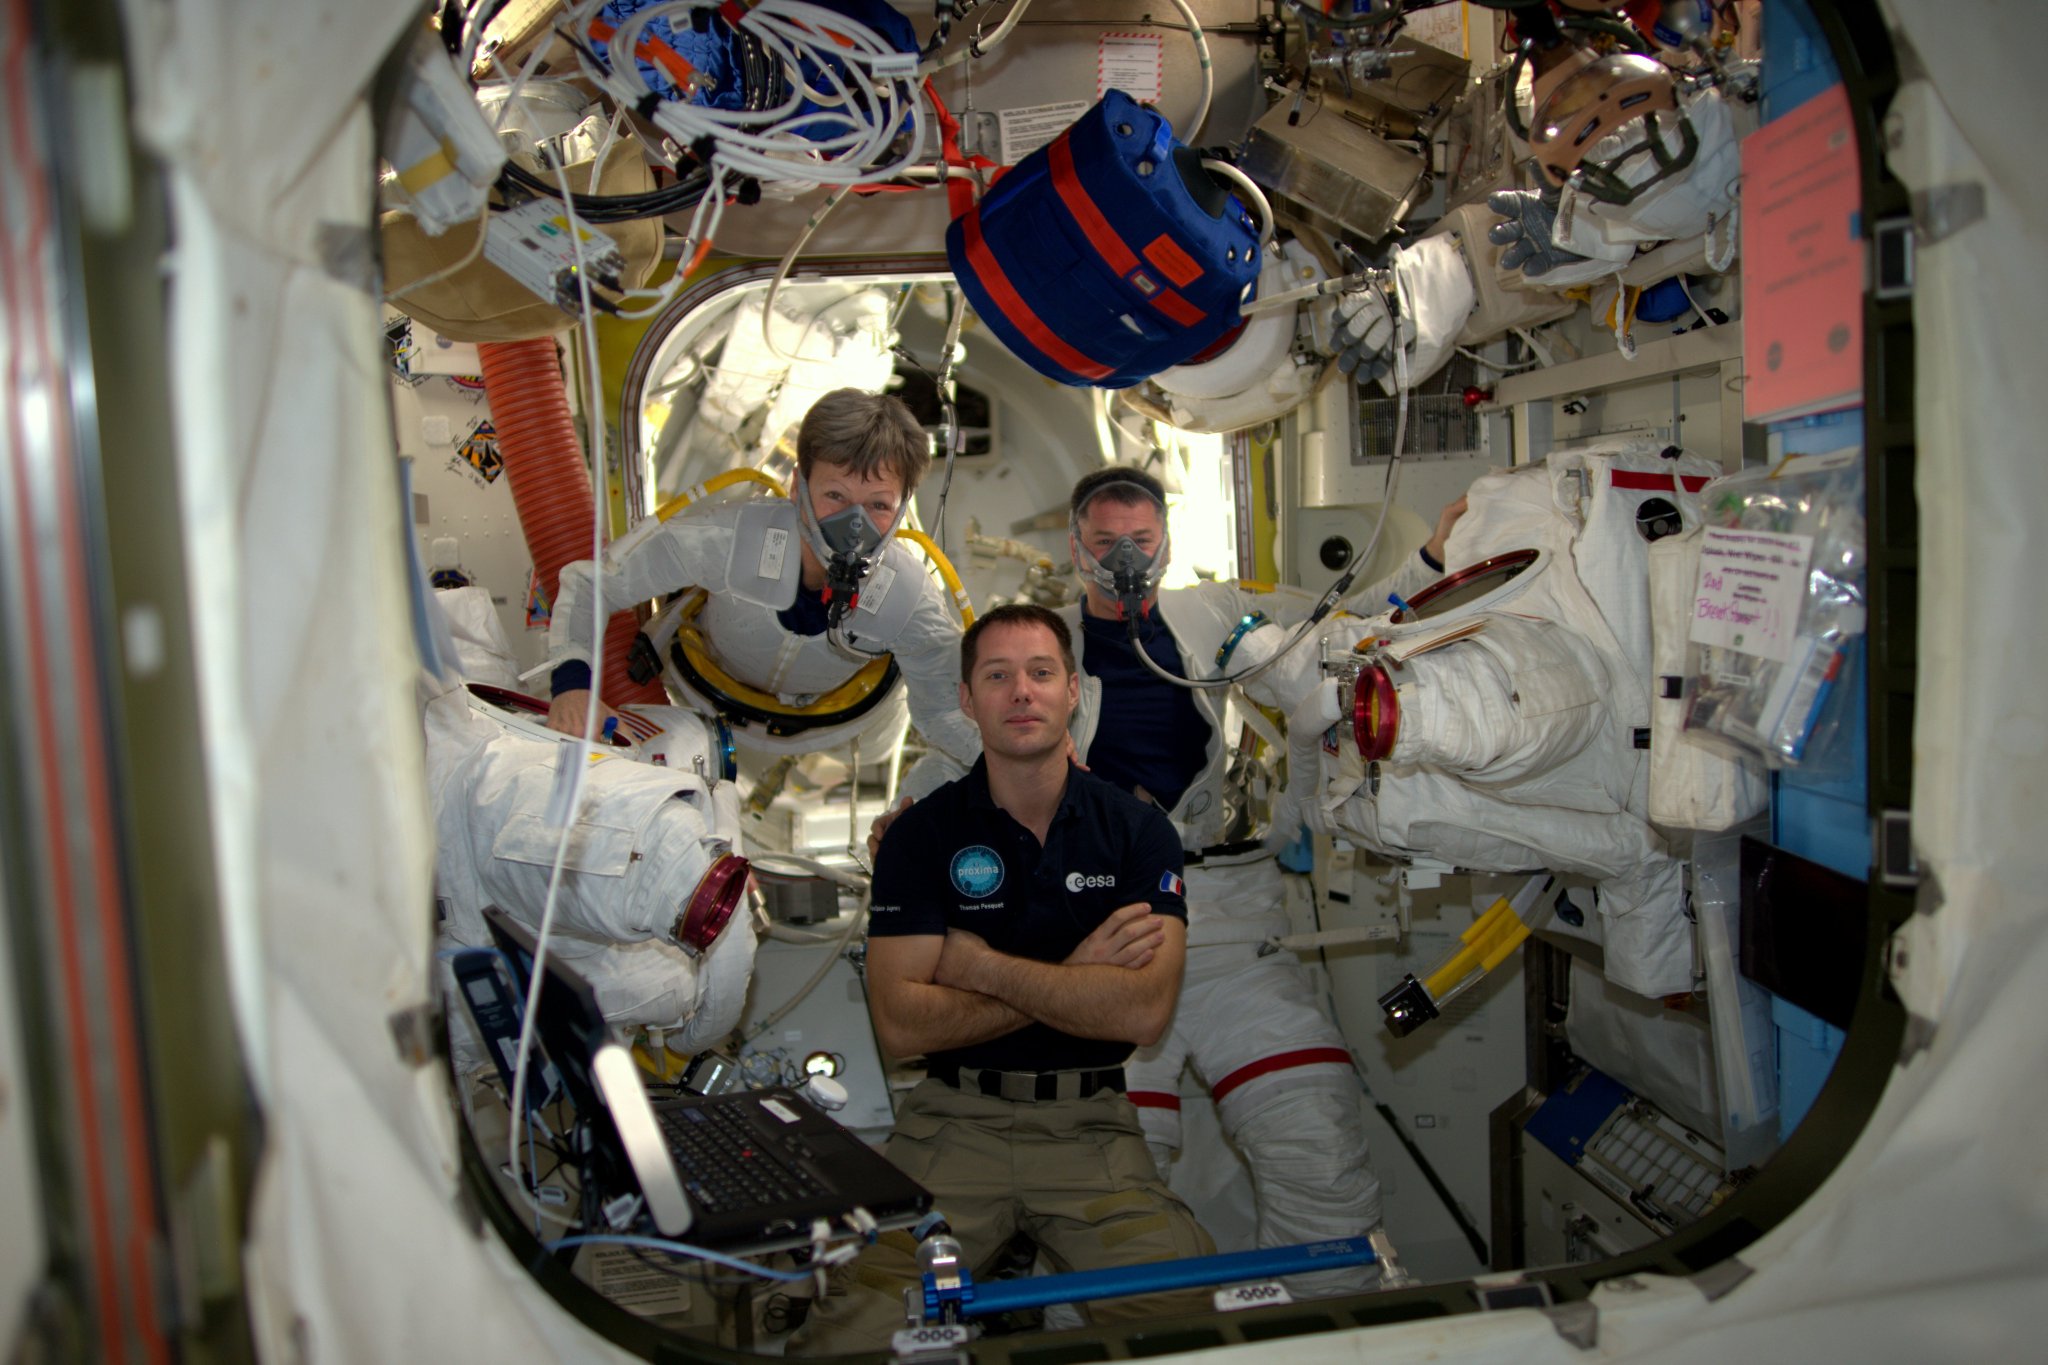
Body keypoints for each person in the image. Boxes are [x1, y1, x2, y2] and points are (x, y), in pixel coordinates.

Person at [879, 469, 1462, 1296]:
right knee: (1091, 1185)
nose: (1125, 556)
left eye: (1142, 541)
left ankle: (1309, 1334)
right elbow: (969, 747)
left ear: (1166, 544)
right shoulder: (1042, 650)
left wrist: (1433, 559)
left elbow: (1340, 628)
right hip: (1094, 942)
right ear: (1075, 549)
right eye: (1107, 540)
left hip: (1221, 916)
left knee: (1315, 1129)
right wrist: (904, 814)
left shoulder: (1211, 613)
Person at [789, 604, 1213, 1354]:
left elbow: (1143, 1013)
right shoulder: (921, 837)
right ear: (967, 700)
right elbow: (902, 1025)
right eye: (998, 675)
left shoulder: (1140, 832)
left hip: (1095, 1134)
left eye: (1041, 672)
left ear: (1072, 691)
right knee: (845, 1337)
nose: (1022, 691)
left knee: (1189, 1329)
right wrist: (1077, 977)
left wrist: (979, 966)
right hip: (953, 1124)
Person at [541, 387, 978, 767]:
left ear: (902, 509)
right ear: (796, 487)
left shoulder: (908, 596)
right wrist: (572, 684)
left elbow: (945, 712)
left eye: (878, 506)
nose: (854, 525)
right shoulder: (732, 541)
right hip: (702, 705)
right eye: (834, 495)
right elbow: (593, 583)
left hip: (849, 725)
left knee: (885, 750)